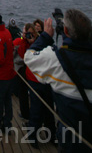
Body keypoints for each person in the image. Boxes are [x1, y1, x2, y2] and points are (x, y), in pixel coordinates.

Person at [25, 9, 92, 152]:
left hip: (71, 141)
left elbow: (29, 57)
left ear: (65, 31)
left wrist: (45, 37)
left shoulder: (57, 59)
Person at [15, 24, 55, 147]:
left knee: (49, 111)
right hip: (34, 81)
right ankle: (33, 137)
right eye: (28, 34)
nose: (30, 36)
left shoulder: (42, 43)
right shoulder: (25, 44)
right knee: (36, 111)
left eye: (32, 33)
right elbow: (22, 54)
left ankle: (52, 136)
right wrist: (23, 39)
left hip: (45, 80)